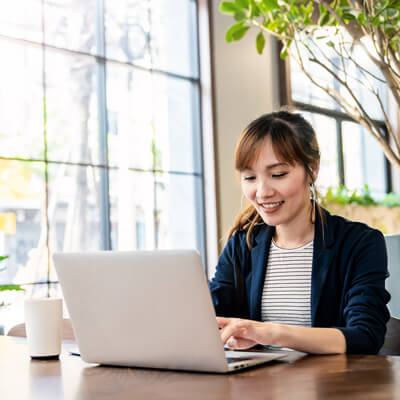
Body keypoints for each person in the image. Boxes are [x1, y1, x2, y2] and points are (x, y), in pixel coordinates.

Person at [209, 110, 390, 354]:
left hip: (331, 388)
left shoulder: (360, 243)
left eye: (278, 175)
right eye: (250, 177)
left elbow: (365, 335)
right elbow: (209, 315)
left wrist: (272, 332)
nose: (262, 192)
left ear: (312, 170)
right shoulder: (243, 245)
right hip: (259, 388)